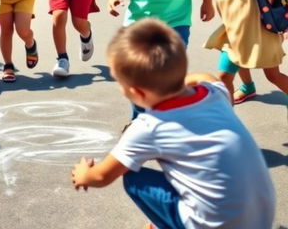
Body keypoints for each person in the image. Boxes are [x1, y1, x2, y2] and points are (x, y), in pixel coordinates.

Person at [71, 19, 276, 229]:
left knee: (133, 179)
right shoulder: (214, 92)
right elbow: (203, 76)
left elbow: (102, 176)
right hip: (261, 218)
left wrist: (83, 175)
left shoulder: (150, 126)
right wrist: (171, 79)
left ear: (137, 93)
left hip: (215, 225)